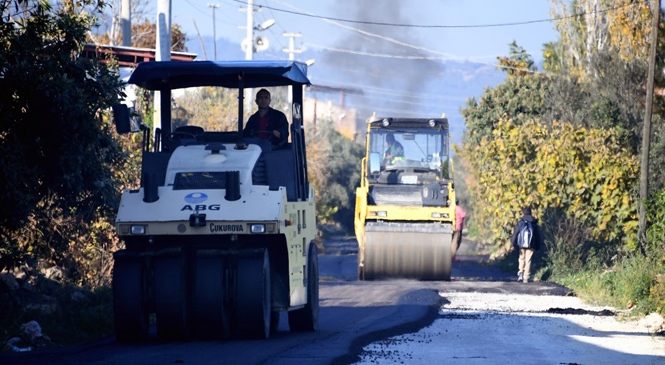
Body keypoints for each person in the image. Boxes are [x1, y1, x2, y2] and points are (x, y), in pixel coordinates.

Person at [510, 206, 542, 283]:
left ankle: (520, 273)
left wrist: (512, 244)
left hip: (522, 244)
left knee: (521, 258)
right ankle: (526, 277)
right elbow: (537, 235)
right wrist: (537, 247)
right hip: (531, 245)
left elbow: (515, 234)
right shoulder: (534, 223)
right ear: (530, 212)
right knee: (528, 260)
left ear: (523, 213)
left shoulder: (521, 222)